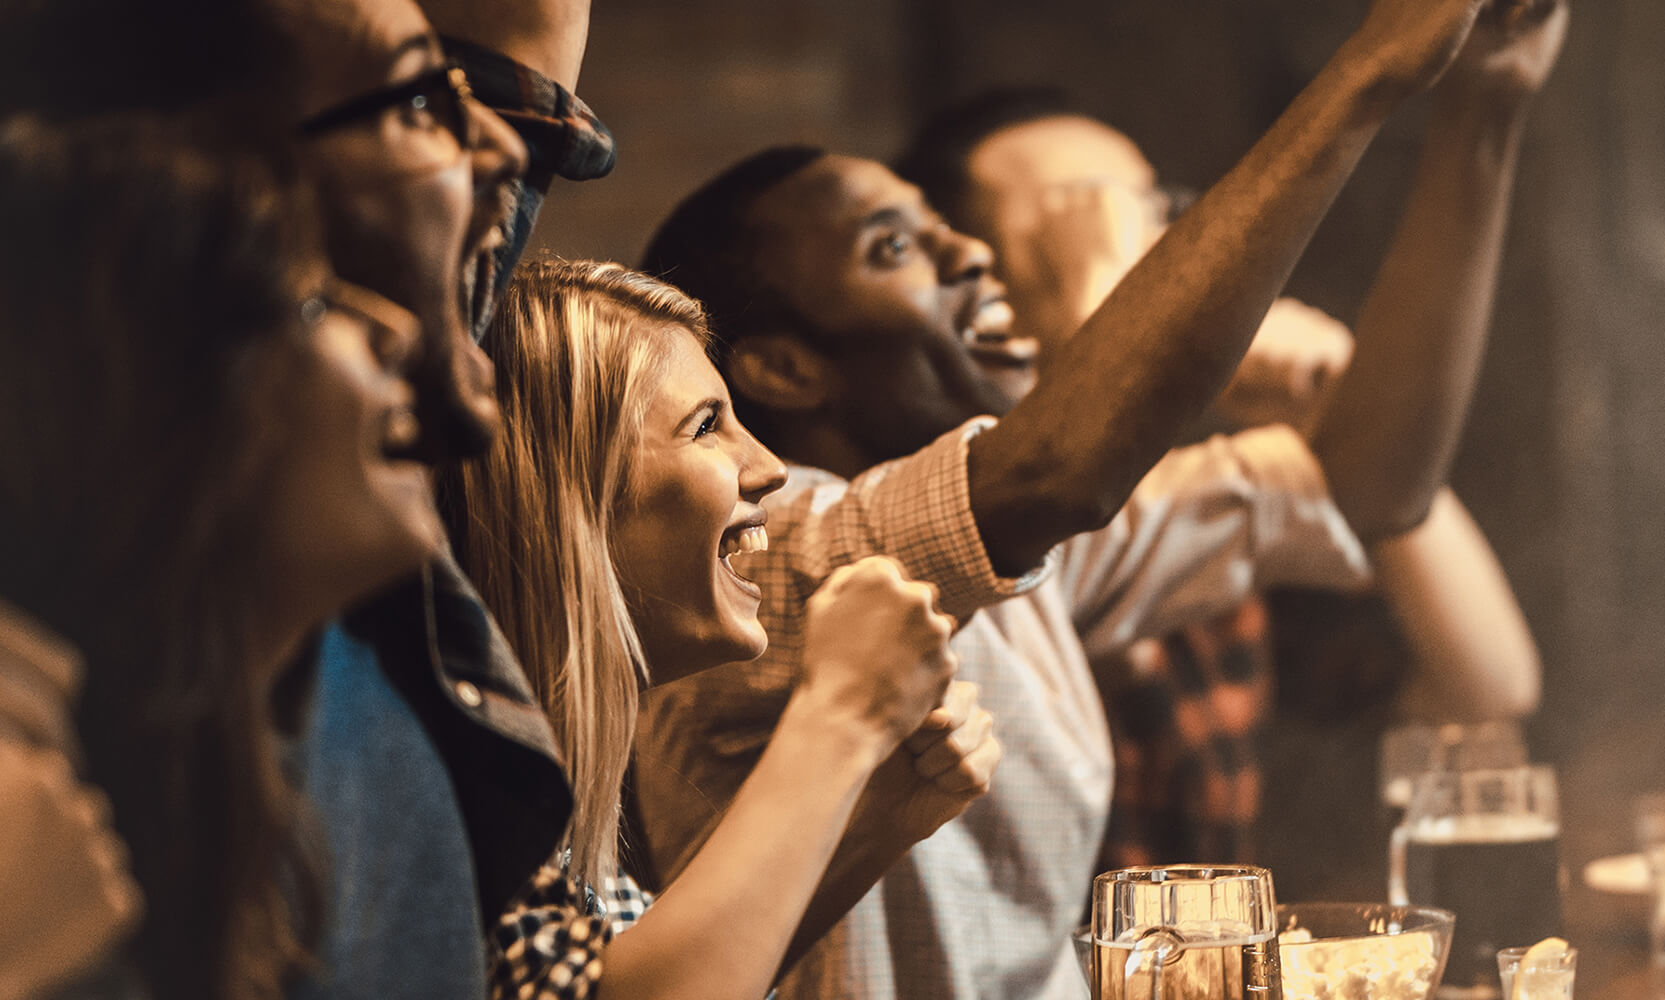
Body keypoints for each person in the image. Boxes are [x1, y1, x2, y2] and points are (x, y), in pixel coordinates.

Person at [630, 2, 1552, 997]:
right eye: (895, 248)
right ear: (785, 366)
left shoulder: (1028, 552)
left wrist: (1481, 112)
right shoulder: (762, 558)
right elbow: (1055, 470)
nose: (968, 257)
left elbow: (1373, 479)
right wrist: (1368, 71)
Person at [891, 13, 1563, 862]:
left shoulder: (1195, 500)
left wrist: (1337, 411)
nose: (1143, 249)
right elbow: (1046, 500)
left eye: (1150, 210)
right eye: (1078, 223)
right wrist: (1108, 320)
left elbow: (1488, 685)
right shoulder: (921, 520)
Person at [446, 259, 1002, 1000]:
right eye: (706, 425)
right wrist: (843, 717)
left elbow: (632, 980)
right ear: (564, 495)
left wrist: (875, 823)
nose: (769, 467)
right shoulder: (457, 778)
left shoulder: (549, 790)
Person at [0, 115, 445, 999]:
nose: (394, 331)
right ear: (162, 396)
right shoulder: (20, 800)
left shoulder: (196, 777)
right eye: (314, 299)